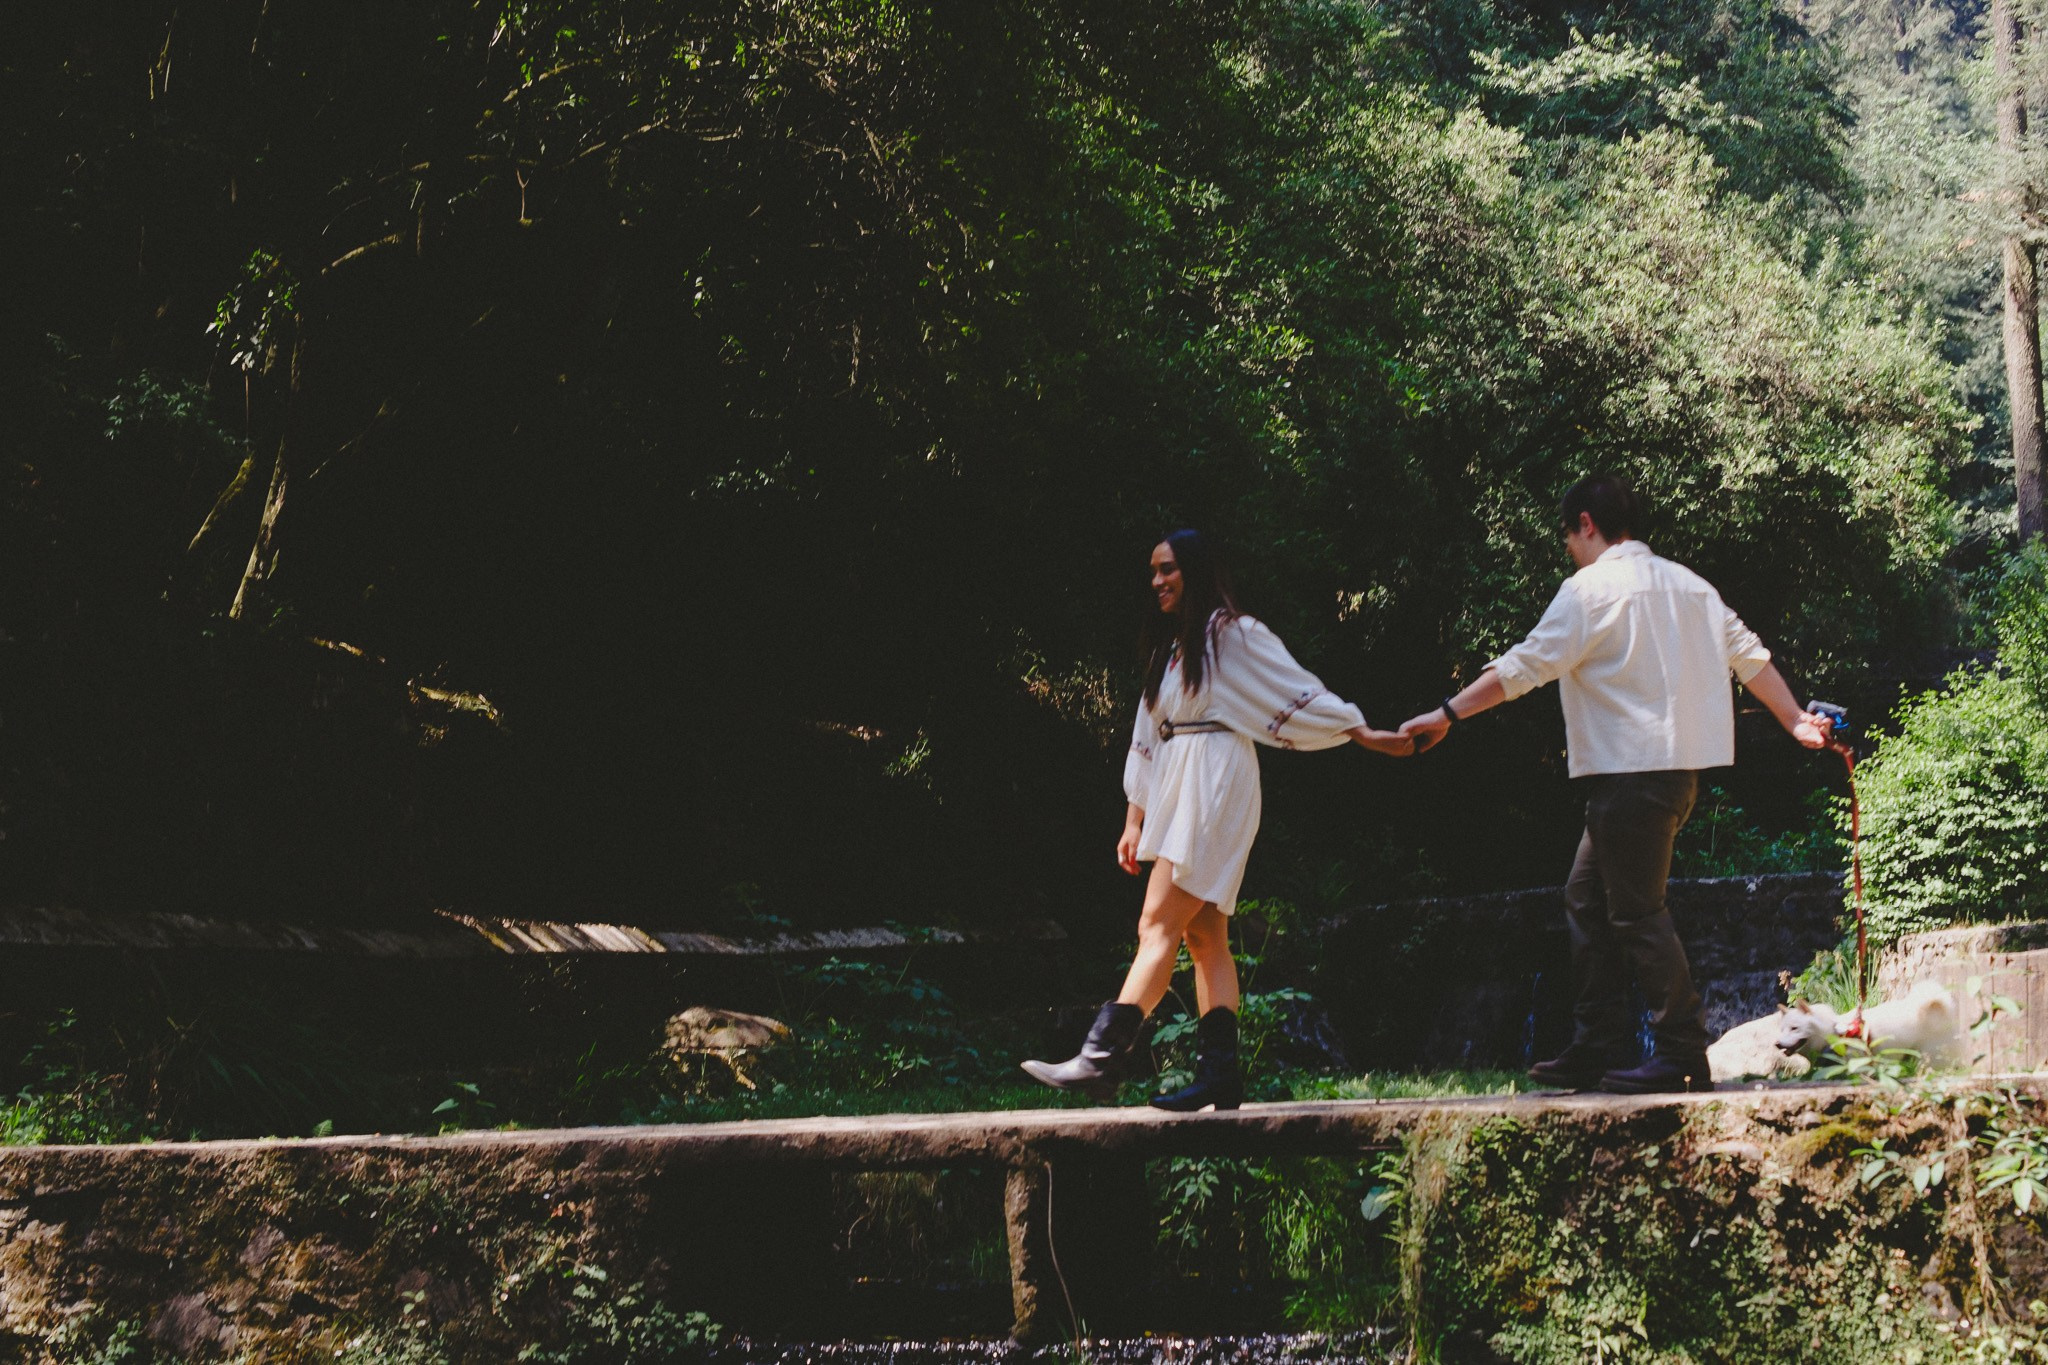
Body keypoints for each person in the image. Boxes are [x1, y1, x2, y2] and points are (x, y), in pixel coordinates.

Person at [1399, 475, 1833, 1094]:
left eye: (1568, 535)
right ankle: (1595, 1045)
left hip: (1632, 778)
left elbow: (1524, 666)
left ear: (1586, 523)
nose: (1569, 549)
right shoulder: (1691, 586)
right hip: (1673, 778)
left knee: (1636, 912)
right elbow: (1749, 655)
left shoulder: (1590, 590)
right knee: (1585, 899)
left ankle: (1681, 1051)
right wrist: (1793, 720)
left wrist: (1447, 714)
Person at [1023, 529, 1411, 1111]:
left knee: (1157, 922)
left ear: (1197, 571)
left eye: (1169, 569)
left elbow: (1295, 686)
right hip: (1179, 779)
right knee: (1205, 936)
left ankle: (1100, 1059)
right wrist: (1134, 818)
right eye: (1153, 571)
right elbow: (1147, 736)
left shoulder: (1232, 634)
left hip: (1215, 779)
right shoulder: (1171, 649)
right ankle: (1221, 1076)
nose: (1157, 581)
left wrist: (1361, 731)